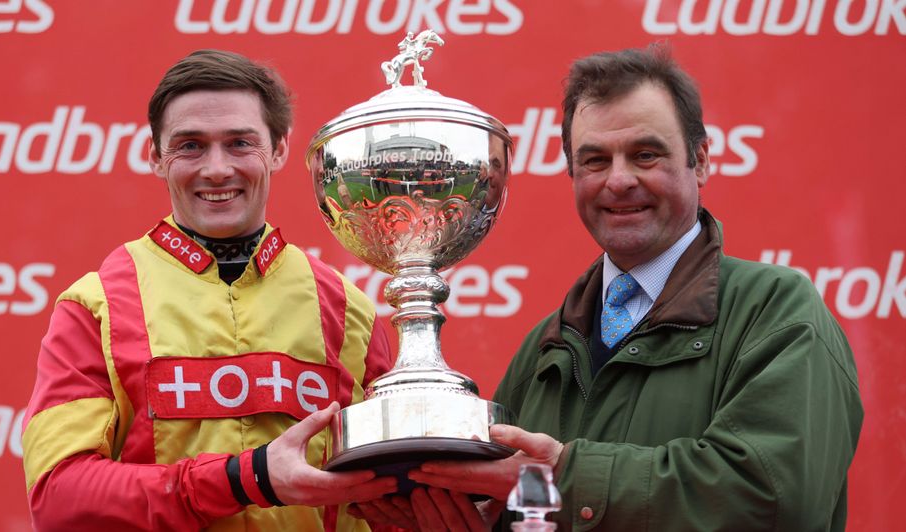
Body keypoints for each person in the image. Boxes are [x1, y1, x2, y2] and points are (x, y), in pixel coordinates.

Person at [357, 44, 864, 531]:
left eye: (645, 155)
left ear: (702, 159)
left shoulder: (776, 312)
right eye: (596, 160)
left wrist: (567, 478)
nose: (618, 180)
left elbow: (778, 499)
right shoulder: (544, 349)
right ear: (573, 172)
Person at [21, 49, 397, 531]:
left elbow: (393, 500)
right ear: (156, 156)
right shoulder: (95, 306)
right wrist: (249, 478)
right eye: (190, 146)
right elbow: (57, 497)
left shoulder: (349, 309)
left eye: (240, 143)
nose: (217, 169)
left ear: (280, 149)